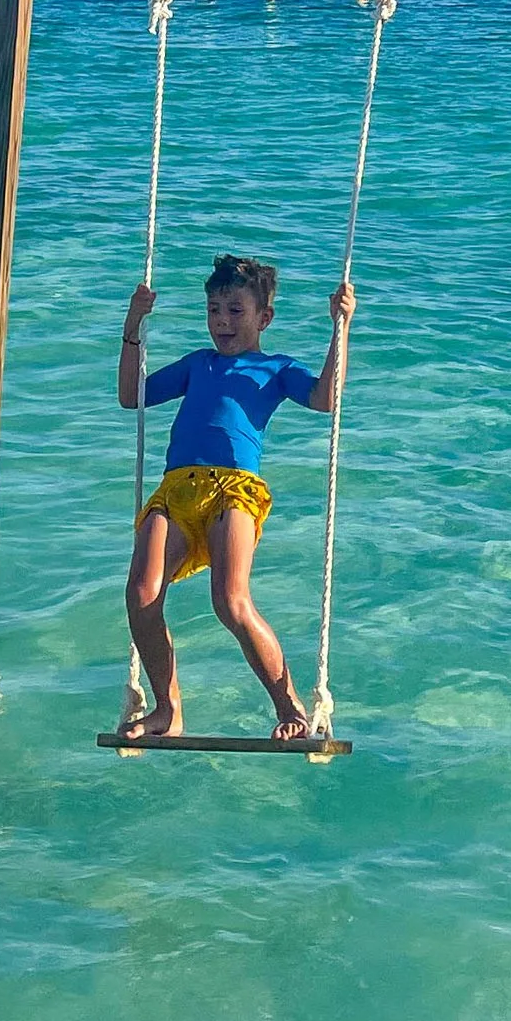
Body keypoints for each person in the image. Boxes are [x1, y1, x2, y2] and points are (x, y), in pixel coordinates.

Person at [117, 254, 355, 741]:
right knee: (140, 594)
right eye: (213, 310)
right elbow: (130, 395)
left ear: (264, 318)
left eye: (235, 311)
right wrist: (134, 323)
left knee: (230, 600)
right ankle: (168, 709)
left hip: (234, 490)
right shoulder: (195, 364)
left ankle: (290, 707)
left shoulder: (275, 369)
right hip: (178, 487)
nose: (222, 322)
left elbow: (326, 399)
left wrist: (341, 328)